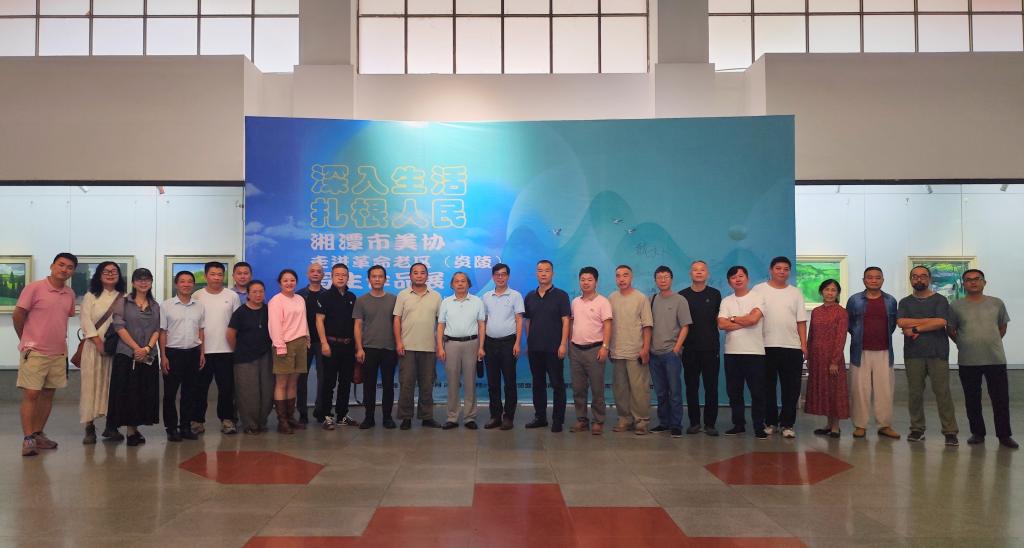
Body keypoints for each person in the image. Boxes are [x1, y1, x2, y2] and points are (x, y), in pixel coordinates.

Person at [14, 252, 78, 456]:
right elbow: (18, 314)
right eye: (61, 265)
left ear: (73, 272)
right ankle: (28, 439)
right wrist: (25, 339)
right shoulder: (34, 288)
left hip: (58, 352)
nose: (64, 269)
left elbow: (63, 317)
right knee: (31, 393)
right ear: (52, 266)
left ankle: (38, 434)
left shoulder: (69, 294)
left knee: (48, 393)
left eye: (69, 267)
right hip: (35, 351)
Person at [948, 269, 1017, 449]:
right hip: (968, 360)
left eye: (977, 279)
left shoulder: (997, 303)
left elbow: (1002, 327)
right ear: (963, 284)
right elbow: (951, 329)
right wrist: (963, 342)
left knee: (1001, 399)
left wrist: (990, 341)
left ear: (984, 282)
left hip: (995, 358)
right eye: (968, 280)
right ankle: (977, 433)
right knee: (972, 399)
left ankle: (1004, 435)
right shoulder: (955, 306)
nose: (973, 282)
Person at [897, 266, 959, 446]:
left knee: (943, 393)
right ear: (911, 279)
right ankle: (917, 429)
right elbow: (901, 322)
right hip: (913, 353)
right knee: (915, 393)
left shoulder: (940, 300)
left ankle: (950, 431)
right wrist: (930, 320)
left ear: (929, 279)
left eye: (923, 276)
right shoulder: (905, 302)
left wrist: (915, 328)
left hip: (937, 353)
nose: (919, 279)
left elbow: (941, 322)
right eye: (915, 276)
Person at [753, 256, 808, 439]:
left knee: (791, 389)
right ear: (771, 270)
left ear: (789, 272)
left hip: (791, 347)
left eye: (786, 269)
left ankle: (787, 424)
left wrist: (804, 345)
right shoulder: (759, 290)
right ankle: (770, 422)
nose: (782, 272)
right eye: (778, 268)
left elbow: (801, 321)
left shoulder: (796, 293)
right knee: (767, 387)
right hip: (764, 346)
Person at [107, 268, 161, 446]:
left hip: (148, 355)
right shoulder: (123, 302)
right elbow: (119, 327)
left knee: (143, 393)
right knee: (128, 394)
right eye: (139, 279)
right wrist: (137, 348)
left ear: (151, 282)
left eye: (147, 279)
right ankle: (130, 431)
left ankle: (135, 428)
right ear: (133, 282)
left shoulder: (155, 305)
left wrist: (147, 348)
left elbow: (157, 329)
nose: (143, 282)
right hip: (126, 355)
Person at [846, 267, 901, 440]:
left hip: (884, 351)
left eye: (877, 277)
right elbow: (849, 324)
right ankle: (860, 425)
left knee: (884, 390)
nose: (874, 280)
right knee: (859, 390)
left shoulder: (890, 301)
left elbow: (892, 325)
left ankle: (884, 425)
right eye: (869, 277)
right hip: (860, 351)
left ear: (882, 280)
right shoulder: (854, 300)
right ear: (864, 280)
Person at [718, 265, 768, 440]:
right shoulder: (726, 301)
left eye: (740, 276)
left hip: (755, 352)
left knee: (758, 392)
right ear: (729, 282)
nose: (737, 279)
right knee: (734, 392)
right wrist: (744, 320)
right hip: (732, 353)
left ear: (747, 278)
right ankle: (738, 425)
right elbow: (721, 324)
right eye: (733, 277)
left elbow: (754, 319)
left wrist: (732, 319)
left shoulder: (758, 297)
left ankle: (759, 426)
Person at [78, 260, 125, 444]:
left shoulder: (124, 297)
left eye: (114, 271)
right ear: (99, 274)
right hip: (93, 348)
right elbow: (85, 320)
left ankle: (111, 426)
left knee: (113, 387)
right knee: (90, 386)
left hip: (116, 349)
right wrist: (98, 342)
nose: (110, 274)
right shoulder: (90, 296)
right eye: (106, 271)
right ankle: (89, 427)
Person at [193, 261, 241, 435]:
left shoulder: (232, 296)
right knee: (200, 389)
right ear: (206, 276)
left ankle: (227, 420)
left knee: (226, 389)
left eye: (220, 274)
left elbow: (237, 324)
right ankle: (197, 421)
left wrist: (236, 348)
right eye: (212, 274)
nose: (216, 278)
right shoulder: (197, 296)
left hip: (226, 351)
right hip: (203, 351)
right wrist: (198, 349)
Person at [393, 262, 443, 430]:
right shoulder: (403, 295)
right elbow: (397, 319)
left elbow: (441, 323)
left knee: (427, 384)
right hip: (407, 347)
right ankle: (406, 417)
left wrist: (439, 345)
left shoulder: (436, 296)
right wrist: (398, 342)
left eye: (422, 273)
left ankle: (427, 417)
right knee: (406, 384)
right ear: (410, 276)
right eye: (416, 273)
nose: (419, 275)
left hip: (429, 347)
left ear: (427, 276)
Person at [523, 260, 571, 433]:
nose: (543, 273)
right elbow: (528, 321)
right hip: (535, 348)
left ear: (552, 274)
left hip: (554, 348)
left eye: (547, 270)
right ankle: (540, 417)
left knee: (557, 384)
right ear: (536, 274)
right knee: (538, 384)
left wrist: (563, 344)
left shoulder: (561, 295)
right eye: (540, 270)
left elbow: (566, 321)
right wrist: (528, 342)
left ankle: (558, 420)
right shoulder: (530, 296)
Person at [159, 271, 205, 442]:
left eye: (189, 281)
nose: (186, 284)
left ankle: (185, 427)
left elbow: (201, 330)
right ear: (176, 284)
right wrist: (163, 356)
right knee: (170, 394)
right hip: (173, 353)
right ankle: (171, 428)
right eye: (182, 281)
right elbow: (162, 332)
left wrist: (202, 353)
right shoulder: (166, 306)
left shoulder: (199, 306)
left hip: (193, 352)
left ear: (193, 284)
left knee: (190, 393)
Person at [608, 265, 654, 435]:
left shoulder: (641, 298)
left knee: (639, 388)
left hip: (636, 351)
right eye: (618, 276)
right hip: (617, 351)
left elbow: (647, 325)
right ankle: (624, 419)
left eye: (625, 275)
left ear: (631, 277)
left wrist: (646, 348)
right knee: (620, 388)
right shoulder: (611, 298)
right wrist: (608, 347)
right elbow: (608, 325)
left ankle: (641, 421)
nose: (621, 279)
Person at [437, 272, 486, 430]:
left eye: (463, 281)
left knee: (470, 382)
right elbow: (440, 326)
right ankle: (452, 417)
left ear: (468, 284)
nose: (460, 284)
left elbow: (481, 325)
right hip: (451, 344)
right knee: (452, 382)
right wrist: (440, 347)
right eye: (456, 281)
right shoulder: (446, 302)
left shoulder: (477, 301)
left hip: (472, 344)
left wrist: (481, 347)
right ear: (452, 285)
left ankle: (470, 417)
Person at [679, 260, 722, 436]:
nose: (698, 272)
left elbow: (720, 319)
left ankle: (710, 424)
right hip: (689, 349)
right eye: (695, 270)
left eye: (702, 270)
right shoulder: (682, 296)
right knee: (691, 387)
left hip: (711, 349)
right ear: (690, 274)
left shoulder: (715, 294)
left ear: (707, 274)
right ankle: (694, 422)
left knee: (711, 387)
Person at [568, 266, 612, 435]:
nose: (585, 283)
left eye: (589, 280)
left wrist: (605, 347)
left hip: (595, 350)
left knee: (597, 388)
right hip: (576, 350)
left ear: (596, 282)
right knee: (578, 389)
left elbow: (607, 325)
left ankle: (598, 421)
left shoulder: (603, 302)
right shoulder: (575, 302)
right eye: (583, 279)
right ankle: (581, 420)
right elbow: (572, 323)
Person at [354, 265, 399, 429]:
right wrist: (359, 348)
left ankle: (387, 417)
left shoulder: (394, 299)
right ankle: (369, 417)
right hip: (368, 348)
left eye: (380, 276)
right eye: (374, 276)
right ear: (369, 279)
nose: (377, 279)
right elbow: (358, 326)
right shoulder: (361, 300)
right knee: (369, 385)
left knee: (388, 385)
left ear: (385, 279)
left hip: (389, 348)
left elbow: (398, 324)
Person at [649, 266, 692, 438]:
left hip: (671, 354)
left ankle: (676, 424)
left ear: (671, 279)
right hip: (654, 354)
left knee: (674, 391)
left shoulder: (680, 300)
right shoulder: (651, 300)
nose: (663, 280)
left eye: (666, 277)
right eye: (659, 277)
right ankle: (664, 422)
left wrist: (677, 348)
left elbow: (685, 326)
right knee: (660, 392)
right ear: (655, 280)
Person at [315, 263, 358, 430]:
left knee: (345, 382)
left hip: (348, 346)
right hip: (331, 345)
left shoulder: (352, 297)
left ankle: (342, 415)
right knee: (329, 382)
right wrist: (324, 343)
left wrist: (356, 346)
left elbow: (356, 324)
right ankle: (326, 415)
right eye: (337, 274)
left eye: (344, 275)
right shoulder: (325, 296)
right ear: (332, 277)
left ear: (348, 277)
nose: (341, 277)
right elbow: (319, 321)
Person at [227, 279, 273, 435]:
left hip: (266, 356)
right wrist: (238, 350)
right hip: (244, 358)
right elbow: (230, 334)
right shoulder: (240, 312)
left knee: (266, 391)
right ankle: (250, 424)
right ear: (247, 294)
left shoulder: (268, 310)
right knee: (248, 393)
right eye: (254, 292)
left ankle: (262, 422)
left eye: (261, 291)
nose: (258, 294)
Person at [481, 263, 524, 430]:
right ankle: (495, 416)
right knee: (493, 383)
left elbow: (519, 320)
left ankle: (509, 417)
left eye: (503, 274)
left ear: (508, 276)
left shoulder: (515, 296)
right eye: (497, 274)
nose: (500, 277)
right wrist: (481, 345)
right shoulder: (486, 296)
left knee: (509, 382)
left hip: (508, 343)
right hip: (490, 343)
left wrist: (517, 343)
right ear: (493, 277)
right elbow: (483, 322)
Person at [804, 279, 849, 438]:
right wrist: (808, 356)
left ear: (837, 293)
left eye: (833, 290)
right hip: (817, 357)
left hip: (832, 358)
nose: (830, 293)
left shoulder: (841, 312)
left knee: (834, 391)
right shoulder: (816, 311)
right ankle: (828, 425)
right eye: (827, 289)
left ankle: (836, 426)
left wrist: (835, 361)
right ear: (821, 292)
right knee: (824, 390)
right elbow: (811, 334)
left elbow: (841, 337)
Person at [268, 269, 310, 434]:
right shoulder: (276, 301)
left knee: (293, 383)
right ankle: (282, 421)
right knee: (282, 383)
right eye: (285, 280)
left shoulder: (300, 299)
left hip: (300, 343)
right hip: (284, 344)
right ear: (280, 283)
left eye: (292, 280)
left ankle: (291, 417)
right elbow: (275, 325)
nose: (289, 283)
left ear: (296, 282)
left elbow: (303, 320)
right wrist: (280, 345)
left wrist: (307, 337)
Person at [296, 262, 326, 424]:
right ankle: (302, 412)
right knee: (301, 379)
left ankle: (320, 410)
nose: (315, 273)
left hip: (322, 341)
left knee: (324, 378)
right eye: (312, 271)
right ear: (308, 274)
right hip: (303, 341)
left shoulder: (328, 295)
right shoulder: (299, 295)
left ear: (323, 275)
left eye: (319, 271)